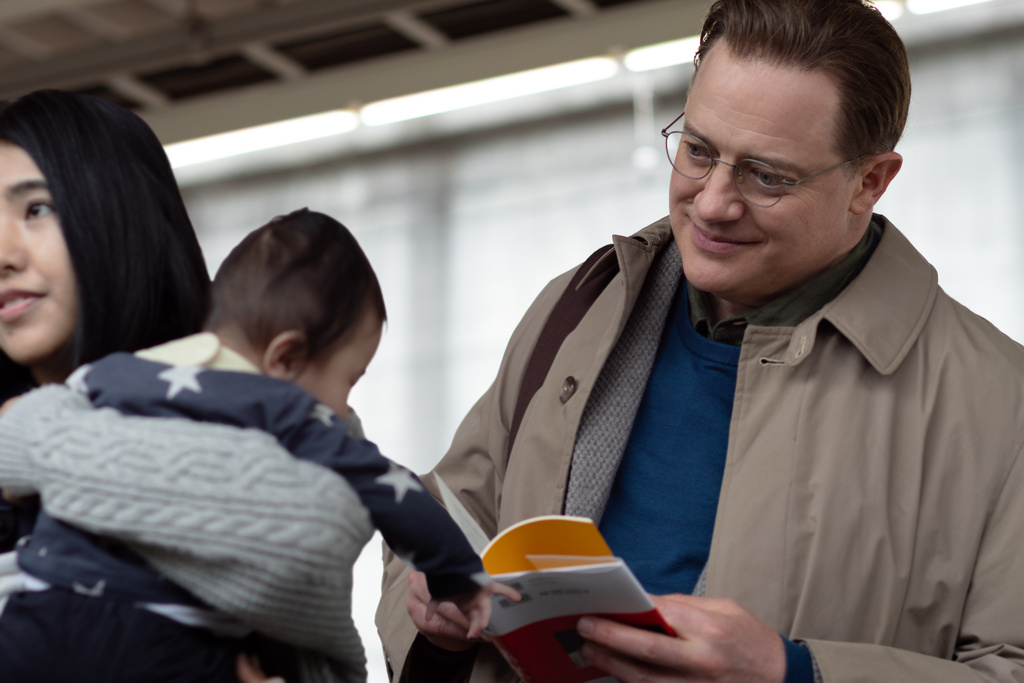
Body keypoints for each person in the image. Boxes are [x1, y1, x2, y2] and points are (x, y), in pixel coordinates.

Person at [376, 1, 1024, 682]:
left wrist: (794, 673)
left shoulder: (1000, 405)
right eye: (698, 150)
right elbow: (453, 511)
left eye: (766, 175)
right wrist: (432, 608)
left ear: (870, 181)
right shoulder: (579, 309)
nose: (712, 202)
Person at [0, 207, 513, 683]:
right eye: (348, 380)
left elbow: (25, 438)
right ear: (285, 357)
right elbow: (392, 491)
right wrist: (459, 575)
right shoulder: (288, 410)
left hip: (36, 620)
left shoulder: (110, 373)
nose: (343, 407)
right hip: (156, 643)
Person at [0, 90, 373, 683]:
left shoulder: (275, 396)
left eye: (37, 209)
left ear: (118, 212)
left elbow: (304, 546)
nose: (4, 253)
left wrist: (32, 435)